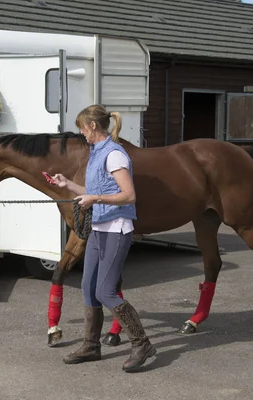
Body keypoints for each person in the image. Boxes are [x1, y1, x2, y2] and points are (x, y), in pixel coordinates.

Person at [51, 105, 156, 372]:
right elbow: (94, 191)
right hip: (99, 227)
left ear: (93, 127)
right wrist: (68, 185)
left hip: (117, 229)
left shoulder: (114, 155)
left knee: (105, 291)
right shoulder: (97, 154)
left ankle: (142, 343)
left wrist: (95, 198)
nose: (81, 134)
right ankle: (91, 345)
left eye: (82, 129)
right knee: (88, 287)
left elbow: (129, 195)